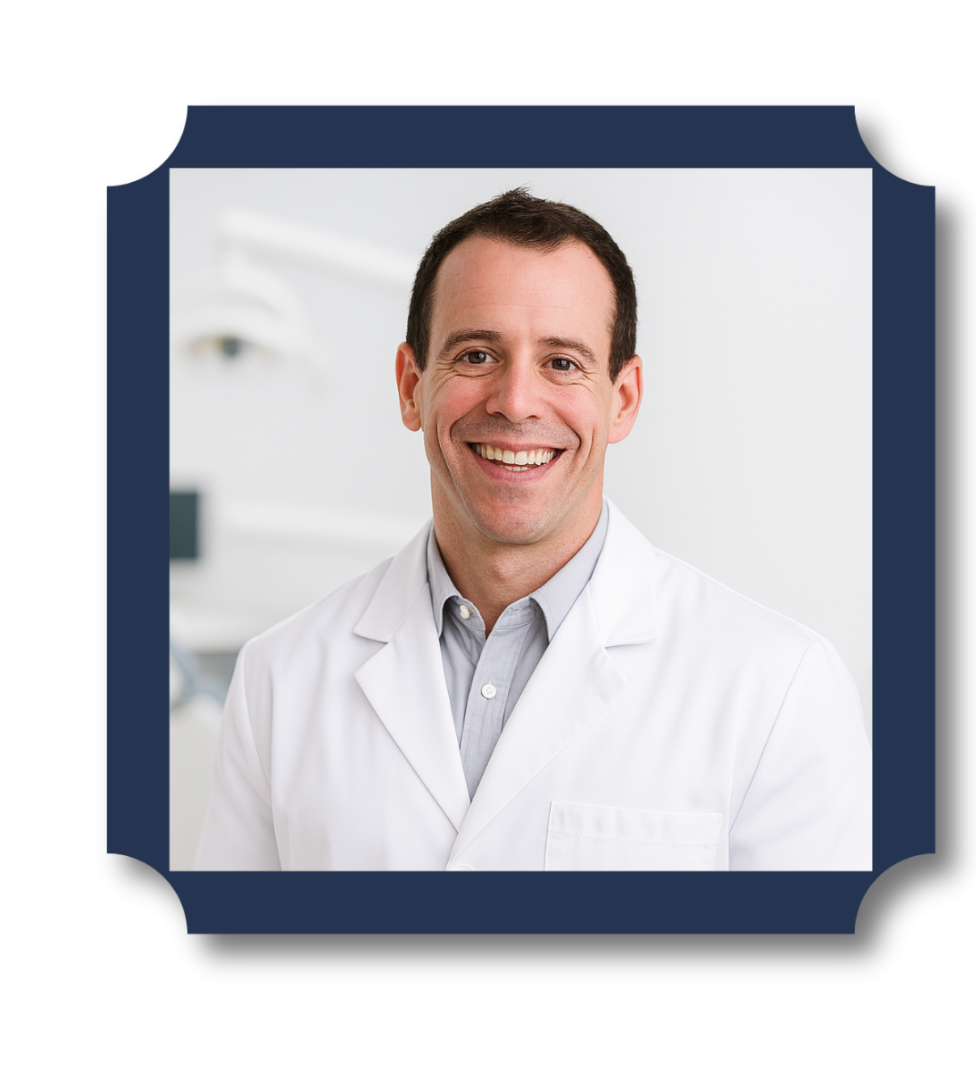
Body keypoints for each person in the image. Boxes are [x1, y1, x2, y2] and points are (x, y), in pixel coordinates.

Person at [193, 188, 872, 872]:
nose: (516, 402)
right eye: (477, 355)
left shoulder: (779, 689)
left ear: (623, 400)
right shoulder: (277, 681)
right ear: (410, 386)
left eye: (562, 363)